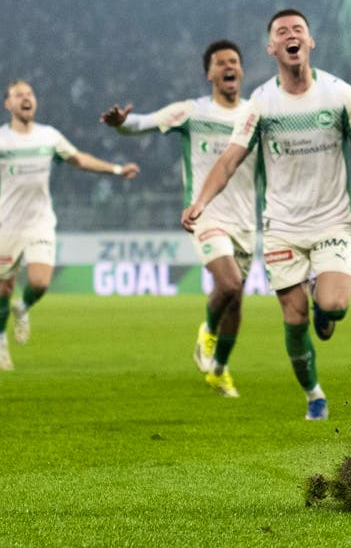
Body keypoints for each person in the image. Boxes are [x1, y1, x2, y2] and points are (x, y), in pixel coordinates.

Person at [182, 9, 351, 420]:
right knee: (294, 316)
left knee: (333, 305)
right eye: (282, 32)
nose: (290, 35)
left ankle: (324, 310)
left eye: (298, 29)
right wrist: (201, 201)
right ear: (272, 48)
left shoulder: (340, 95)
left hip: (332, 222)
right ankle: (314, 395)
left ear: (310, 42)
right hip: (281, 228)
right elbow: (229, 159)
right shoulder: (262, 102)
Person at [0, 79, 139, 371]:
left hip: (40, 223)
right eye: (18, 95)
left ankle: (22, 308)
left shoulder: (49, 137)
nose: (26, 98)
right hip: (6, 226)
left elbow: (79, 159)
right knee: (3, 287)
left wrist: (117, 169)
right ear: (7, 104)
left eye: (30, 94)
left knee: (40, 282)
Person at [100, 40, 257, 398]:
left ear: (241, 70)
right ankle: (208, 332)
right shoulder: (191, 112)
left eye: (233, 61)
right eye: (220, 63)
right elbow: (145, 123)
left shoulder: (254, 115)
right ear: (209, 73)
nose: (228, 67)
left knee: (235, 302)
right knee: (229, 284)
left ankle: (219, 371)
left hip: (245, 220)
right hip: (205, 214)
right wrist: (122, 124)